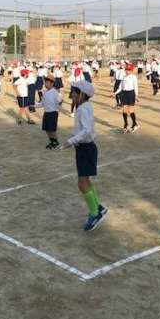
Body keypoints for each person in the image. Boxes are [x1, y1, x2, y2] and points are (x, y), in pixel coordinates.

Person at [61, 80, 108, 231]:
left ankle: (95, 213)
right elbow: (82, 129)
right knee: (85, 180)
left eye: (74, 92)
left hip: (86, 148)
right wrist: (74, 138)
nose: (71, 94)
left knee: (82, 183)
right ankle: (97, 207)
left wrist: (71, 141)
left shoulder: (83, 109)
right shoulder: (83, 106)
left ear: (81, 94)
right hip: (84, 148)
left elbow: (87, 130)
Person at [36, 74, 60, 149]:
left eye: (47, 83)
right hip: (46, 113)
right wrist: (34, 106)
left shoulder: (54, 92)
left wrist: (58, 105)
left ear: (52, 83)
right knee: (47, 129)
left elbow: (58, 101)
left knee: (52, 129)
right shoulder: (45, 92)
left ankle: (55, 143)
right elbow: (42, 104)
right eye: (45, 82)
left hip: (53, 113)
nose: (45, 84)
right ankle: (52, 141)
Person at [113, 63, 139, 132]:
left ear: (132, 71)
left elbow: (136, 87)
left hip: (131, 94)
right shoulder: (123, 77)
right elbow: (120, 87)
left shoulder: (133, 77)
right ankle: (125, 124)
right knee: (124, 110)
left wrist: (136, 96)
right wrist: (115, 93)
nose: (127, 71)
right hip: (124, 94)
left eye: (129, 70)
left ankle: (134, 124)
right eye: (126, 70)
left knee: (130, 110)